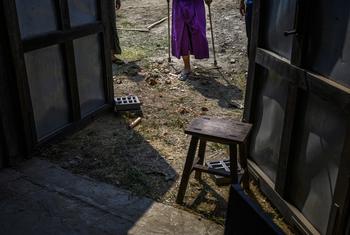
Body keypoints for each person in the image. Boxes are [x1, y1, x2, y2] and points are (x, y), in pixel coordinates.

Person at [172, 0, 212, 81]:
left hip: (196, 3)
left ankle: (199, 54)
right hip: (179, 3)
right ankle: (187, 67)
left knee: (198, 32)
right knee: (181, 34)